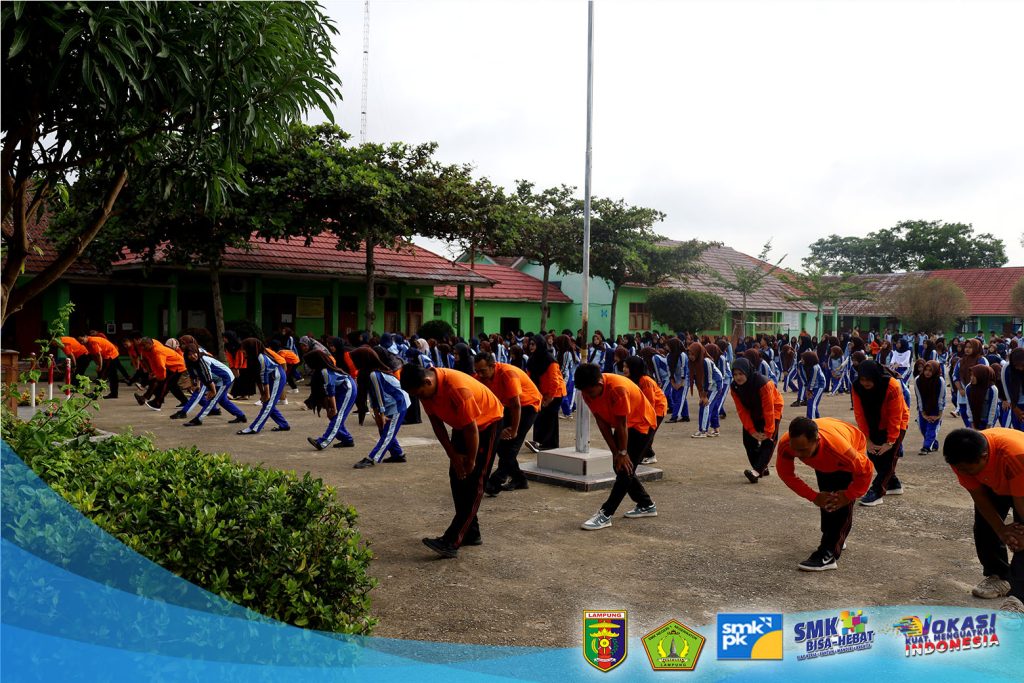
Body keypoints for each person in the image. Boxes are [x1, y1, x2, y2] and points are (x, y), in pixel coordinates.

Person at [400, 364, 504, 558]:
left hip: (487, 424)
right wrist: (453, 456)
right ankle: (471, 533)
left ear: (427, 381)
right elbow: (437, 426)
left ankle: (451, 541)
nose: (420, 398)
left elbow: (472, 430)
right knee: (458, 477)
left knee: (474, 481)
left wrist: (471, 461)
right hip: (462, 424)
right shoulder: (425, 391)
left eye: (420, 393)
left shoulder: (457, 389)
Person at [777, 417, 874, 571]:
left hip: (850, 443)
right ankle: (834, 537)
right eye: (794, 448)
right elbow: (786, 474)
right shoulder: (787, 444)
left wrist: (848, 495)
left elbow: (866, 470)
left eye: (802, 450)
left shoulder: (841, 450)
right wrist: (814, 496)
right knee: (826, 499)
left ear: (817, 440)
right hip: (824, 457)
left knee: (839, 503)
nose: (797, 454)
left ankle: (829, 552)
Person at [943, 428, 1024, 613]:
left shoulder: (1015, 455)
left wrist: (1017, 535)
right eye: (959, 468)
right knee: (984, 527)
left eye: (967, 469)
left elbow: (1021, 504)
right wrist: (1001, 530)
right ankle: (999, 576)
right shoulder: (961, 456)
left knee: (1021, 536)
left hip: (1021, 478)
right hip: (996, 483)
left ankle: (1019, 598)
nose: (962, 472)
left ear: (984, 456)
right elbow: (979, 497)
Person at [575, 363, 659, 530]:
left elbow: (622, 424)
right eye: (584, 392)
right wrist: (615, 453)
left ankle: (606, 513)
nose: (587, 396)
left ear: (599, 384)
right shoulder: (587, 392)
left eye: (590, 392)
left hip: (641, 424)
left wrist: (623, 451)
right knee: (620, 466)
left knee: (624, 470)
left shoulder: (617, 389)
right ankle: (646, 504)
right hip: (626, 426)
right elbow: (601, 421)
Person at [474, 352, 542, 495]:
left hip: (527, 405)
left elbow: (516, 405)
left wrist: (514, 430)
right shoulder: (481, 377)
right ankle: (519, 479)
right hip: (507, 406)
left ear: (492, 366)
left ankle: (494, 482)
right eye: (477, 371)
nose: (479, 374)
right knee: (500, 444)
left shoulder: (507, 373)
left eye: (482, 371)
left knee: (512, 445)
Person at [852, 360, 910, 506]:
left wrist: (890, 441)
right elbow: (859, 414)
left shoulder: (891, 386)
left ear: (876, 376)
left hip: (897, 423)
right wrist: (867, 439)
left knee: (888, 459)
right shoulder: (857, 387)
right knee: (873, 454)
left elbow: (895, 415)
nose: (865, 383)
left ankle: (877, 491)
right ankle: (894, 484)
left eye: (868, 379)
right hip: (873, 423)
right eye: (862, 379)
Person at [349, 347, 409, 466]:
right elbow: (374, 397)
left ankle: (372, 459)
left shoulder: (374, 374)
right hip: (390, 404)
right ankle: (397, 454)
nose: (353, 362)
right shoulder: (368, 373)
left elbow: (378, 396)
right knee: (384, 431)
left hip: (398, 404)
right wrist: (378, 415)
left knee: (387, 433)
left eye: (355, 359)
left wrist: (381, 414)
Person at [730, 358, 784, 483]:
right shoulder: (734, 387)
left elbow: (768, 409)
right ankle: (761, 467)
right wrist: (752, 430)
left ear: (747, 372)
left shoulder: (763, 383)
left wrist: (769, 431)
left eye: (741, 374)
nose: (738, 377)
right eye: (735, 374)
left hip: (773, 409)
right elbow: (741, 410)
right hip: (752, 411)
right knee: (748, 441)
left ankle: (756, 471)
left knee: (768, 441)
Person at [176, 343, 247, 426]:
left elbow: (208, 377)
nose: (193, 356)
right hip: (216, 379)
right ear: (186, 356)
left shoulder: (203, 360)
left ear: (197, 352)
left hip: (224, 378)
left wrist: (212, 391)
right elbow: (196, 375)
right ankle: (241, 416)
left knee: (213, 400)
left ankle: (198, 419)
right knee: (222, 400)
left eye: (194, 353)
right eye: (190, 354)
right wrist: (195, 385)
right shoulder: (190, 362)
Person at [303, 350, 357, 451]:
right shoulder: (319, 372)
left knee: (337, 416)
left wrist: (334, 409)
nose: (307, 365)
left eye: (308, 362)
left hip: (348, 389)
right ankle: (347, 439)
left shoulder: (325, 371)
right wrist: (328, 410)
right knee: (335, 417)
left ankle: (322, 442)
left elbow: (330, 392)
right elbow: (325, 394)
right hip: (341, 390)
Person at [235, 338, 290, 435]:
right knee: (267, 403)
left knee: (268, 403)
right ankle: (284, 425)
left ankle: (254, 428)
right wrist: (262, 394)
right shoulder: (252, 358)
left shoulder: (261, 357)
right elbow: (257, 377)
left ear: (250, 348)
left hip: (277, 377)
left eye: (244, 348)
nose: (242, 351)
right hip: (270, 378)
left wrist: (267, 394)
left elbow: (263, 376)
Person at [524, 334, 566, 453]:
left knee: (549, 418)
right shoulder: (532, 359)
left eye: (533, 344)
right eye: (530, 344)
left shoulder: (549, 360)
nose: (531, 347)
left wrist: (550, 397)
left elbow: (554, 381)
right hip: (542, 393)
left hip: (555, 393)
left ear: (540, 345)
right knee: (540, 417)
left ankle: (548, 444)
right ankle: (538, 441)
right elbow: (529, 378)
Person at [623, 355, 667, 465]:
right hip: (646, 408)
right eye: (624, 366)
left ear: (634, 367)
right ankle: (646, 454)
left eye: (627, 367)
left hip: (657, 409)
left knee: (647, 433)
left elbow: (650, 402)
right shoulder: (632, 379)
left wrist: (644, 418)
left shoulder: (645, 381)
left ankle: (650, 455)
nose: (624, 369)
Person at [135, 337, 189, 411]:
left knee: (165, 384)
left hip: (177, 366)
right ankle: (185, 402)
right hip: (171, 365)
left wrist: (161, 377)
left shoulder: (158, 352)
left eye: (144, 346)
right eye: (141, 346)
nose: (142, 348)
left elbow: (161, 366)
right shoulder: (148, 348)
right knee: (172, 386)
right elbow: (151, 361)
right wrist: (152, 372)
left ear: (149, 344)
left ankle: (157, 403)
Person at [688, 342, 724, 438]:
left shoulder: (706, 361)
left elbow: (709, 380)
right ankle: (716, 430)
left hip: (715, 385)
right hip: (708, 387)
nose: (690, 356)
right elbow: (697, 380)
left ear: (698, 352)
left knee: (705, 405)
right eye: (689, 354)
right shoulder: (694, 363)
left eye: (693, 354)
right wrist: (701, 394)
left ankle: (703, 431)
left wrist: (704, 396)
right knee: (713, 406)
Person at [913, 360, 946, 454]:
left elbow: (941, 397)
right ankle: (934, 443)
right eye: (926, 370)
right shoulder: (918, 380)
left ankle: (926, 447)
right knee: (923, 427)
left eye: (930, 370)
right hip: (923, 407)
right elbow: (918, 397)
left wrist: (939, 414)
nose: (927, 372)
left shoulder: (940, 380)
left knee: (931, 428)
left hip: (936, 408)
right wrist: (923, 413)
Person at [78, 334, 125, 399]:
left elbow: (98, 354)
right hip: (108, 355)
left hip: (111, 355)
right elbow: (93, 355)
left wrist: (100, 366)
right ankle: (114, 394)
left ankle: (95, 395)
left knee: (103, 376)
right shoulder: (87, 343)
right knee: (112, 376)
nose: (81, 343)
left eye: (82, 340)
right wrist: (98, 364)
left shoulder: (92, 341)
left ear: (86, 337)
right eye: (80, 341)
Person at [965, 365, 1000, 431]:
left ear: (981, 376)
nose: (971, 378)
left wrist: (988, 427)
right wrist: (973, 426)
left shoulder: (992, 389)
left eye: (974, 376)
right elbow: (969, 407)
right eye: (971, 375)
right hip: (975, 419)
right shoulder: (969, 388)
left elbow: (992, 410)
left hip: (988, 419)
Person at [665, 338, 690, 423]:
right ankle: (685, 416)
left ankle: (674, 417)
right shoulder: (669, 356)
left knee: (680, 398)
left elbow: (684, 368)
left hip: (684, 380)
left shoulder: (682, 355)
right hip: (675, 380)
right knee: (677, 397)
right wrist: (672, 381)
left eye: (668, 345)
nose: (666, 347)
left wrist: (682, 383)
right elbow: (668, 369)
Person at [797, 351, 826, 418]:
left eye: (803, 358)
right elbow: (802, 376)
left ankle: (811, 420)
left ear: (808, 359)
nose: (801, 360)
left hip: (819, 385)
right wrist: (806, 387)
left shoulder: (815, 367)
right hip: (810, 384)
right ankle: (817, 418)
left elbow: (813, 379)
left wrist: (809, 390)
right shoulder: (800, 364)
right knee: (812, 403)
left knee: (812, 403)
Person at [1002, 348, 1024, 431]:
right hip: (1015, 405)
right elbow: (1005, 387)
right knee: (1017, 431)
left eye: (1022, 365)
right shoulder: (1007, 368)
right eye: (1016, 366)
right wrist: (1015, 408)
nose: (1020, 368)